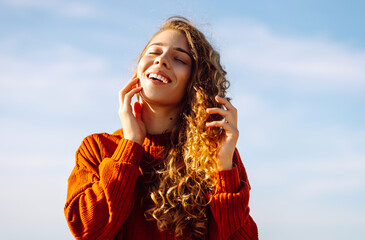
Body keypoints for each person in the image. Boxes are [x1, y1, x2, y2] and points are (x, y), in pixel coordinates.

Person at [64, 16, 258, 240]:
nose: (162, 60)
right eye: (154, 52)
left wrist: (224, 169)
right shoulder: (98, 148)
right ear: (139, 67)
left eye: (179, 59)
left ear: (195, 81)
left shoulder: (213, 156)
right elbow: (88, 231)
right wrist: (130, 145)